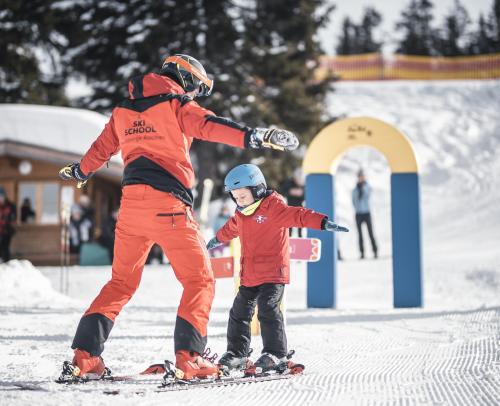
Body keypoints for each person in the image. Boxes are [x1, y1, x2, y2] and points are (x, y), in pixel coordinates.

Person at [58, 53, 299, 381]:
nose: (195, 95)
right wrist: (257, 136)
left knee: (120, 282)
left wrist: (80, 170)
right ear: (185, 77)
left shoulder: (123, 111)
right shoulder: (176, 106)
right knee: (200, 280)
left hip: (131, 209)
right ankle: (190, 359)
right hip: (169, 207)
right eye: (197, 88)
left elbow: (102, 149)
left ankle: (84, 357)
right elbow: (211, 126)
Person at [206, 164, 348, 372]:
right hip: (249, 274)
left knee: (268, 310)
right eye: (235, 197)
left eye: (242, 196)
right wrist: (217, 239)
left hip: (273, 273)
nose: (238, 201)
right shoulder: (241, 214)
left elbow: (300, 215)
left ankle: (276, 353)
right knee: (238, 312)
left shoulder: (274, 208)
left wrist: (323, 222)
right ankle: (237, 353)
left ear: (258, 190)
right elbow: (230, 228)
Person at [352, 169, 378, 259]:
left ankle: (375, 251)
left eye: (362, 176)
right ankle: (362, 253)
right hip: (358, 214)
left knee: (370, 233)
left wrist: (362, 187)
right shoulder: (355, 189)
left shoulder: (367, 187)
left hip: (367, 213)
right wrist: (357, 209)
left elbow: (368, 195)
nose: (361, 178)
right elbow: (354, 201)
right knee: (360, 235)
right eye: (359, 177)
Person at [279, 168, 305, 237]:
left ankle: (300, 237)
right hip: (290, 206)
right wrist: (290, 192)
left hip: (300, 207)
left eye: (300, 180)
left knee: (300, 223)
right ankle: (289, 237)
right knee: (290, 224)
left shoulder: (304, 185)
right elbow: (281, 191)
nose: (298, 181)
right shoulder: (289, 183)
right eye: (297, 179)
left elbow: (308, 195)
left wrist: (302, 194)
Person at [0, 187, 16, 263]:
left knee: (5, 246)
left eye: (1, 196)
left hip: (7, 230)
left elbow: (13, 217)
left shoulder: (10, 205)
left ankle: (6, 262)